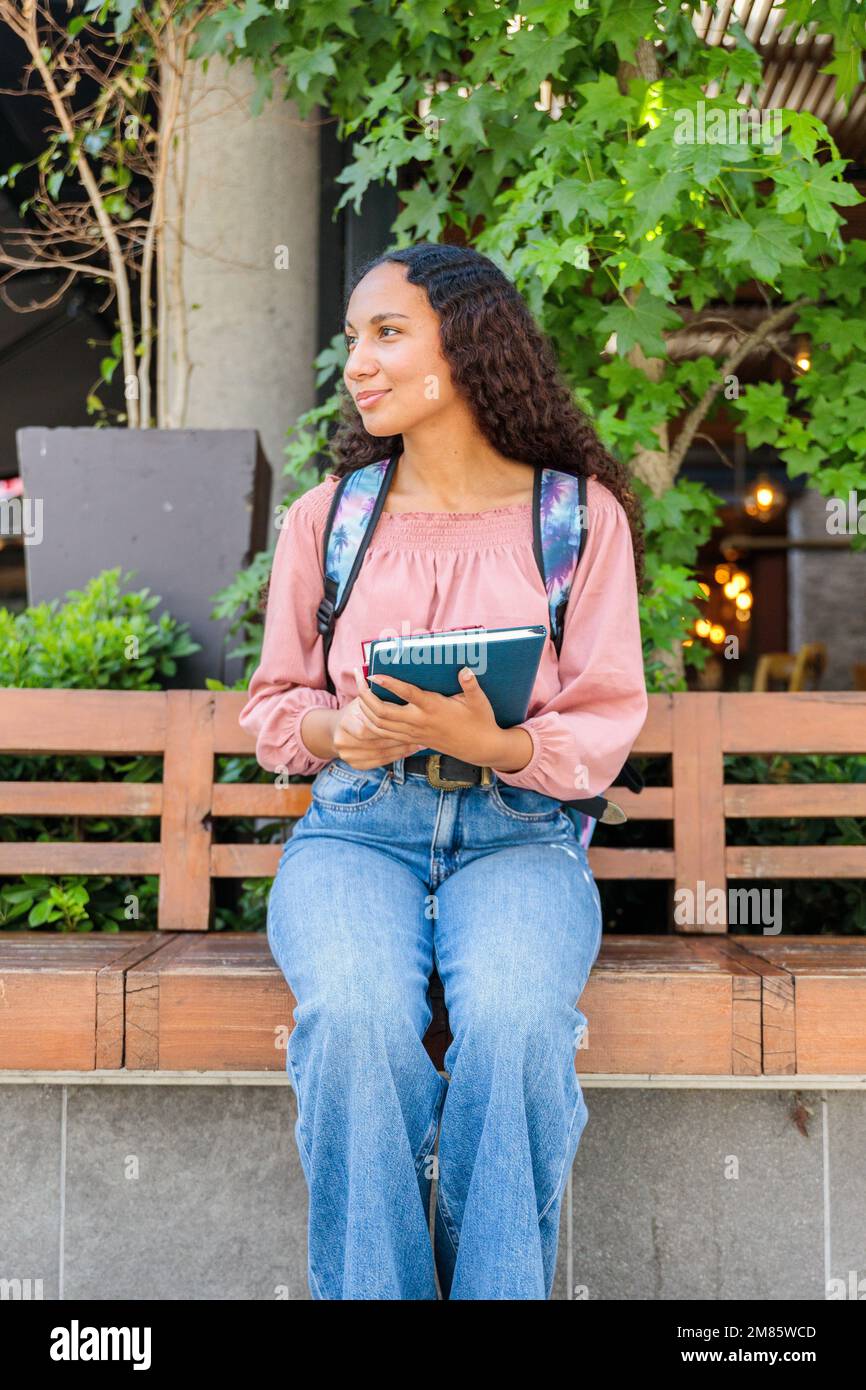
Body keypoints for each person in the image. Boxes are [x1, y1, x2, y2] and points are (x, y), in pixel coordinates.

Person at [239, 241, 648, 1300]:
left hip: (519, 833)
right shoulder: (326, 520)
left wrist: (498, 744)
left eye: (386, 334)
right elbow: (273, 709)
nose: (358, 365)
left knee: (515, 1025)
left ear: (466, 345)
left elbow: (603, 718)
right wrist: (341, 733)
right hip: (356, 829)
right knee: (355, 1020)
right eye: (351, 342)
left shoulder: (572, 519)